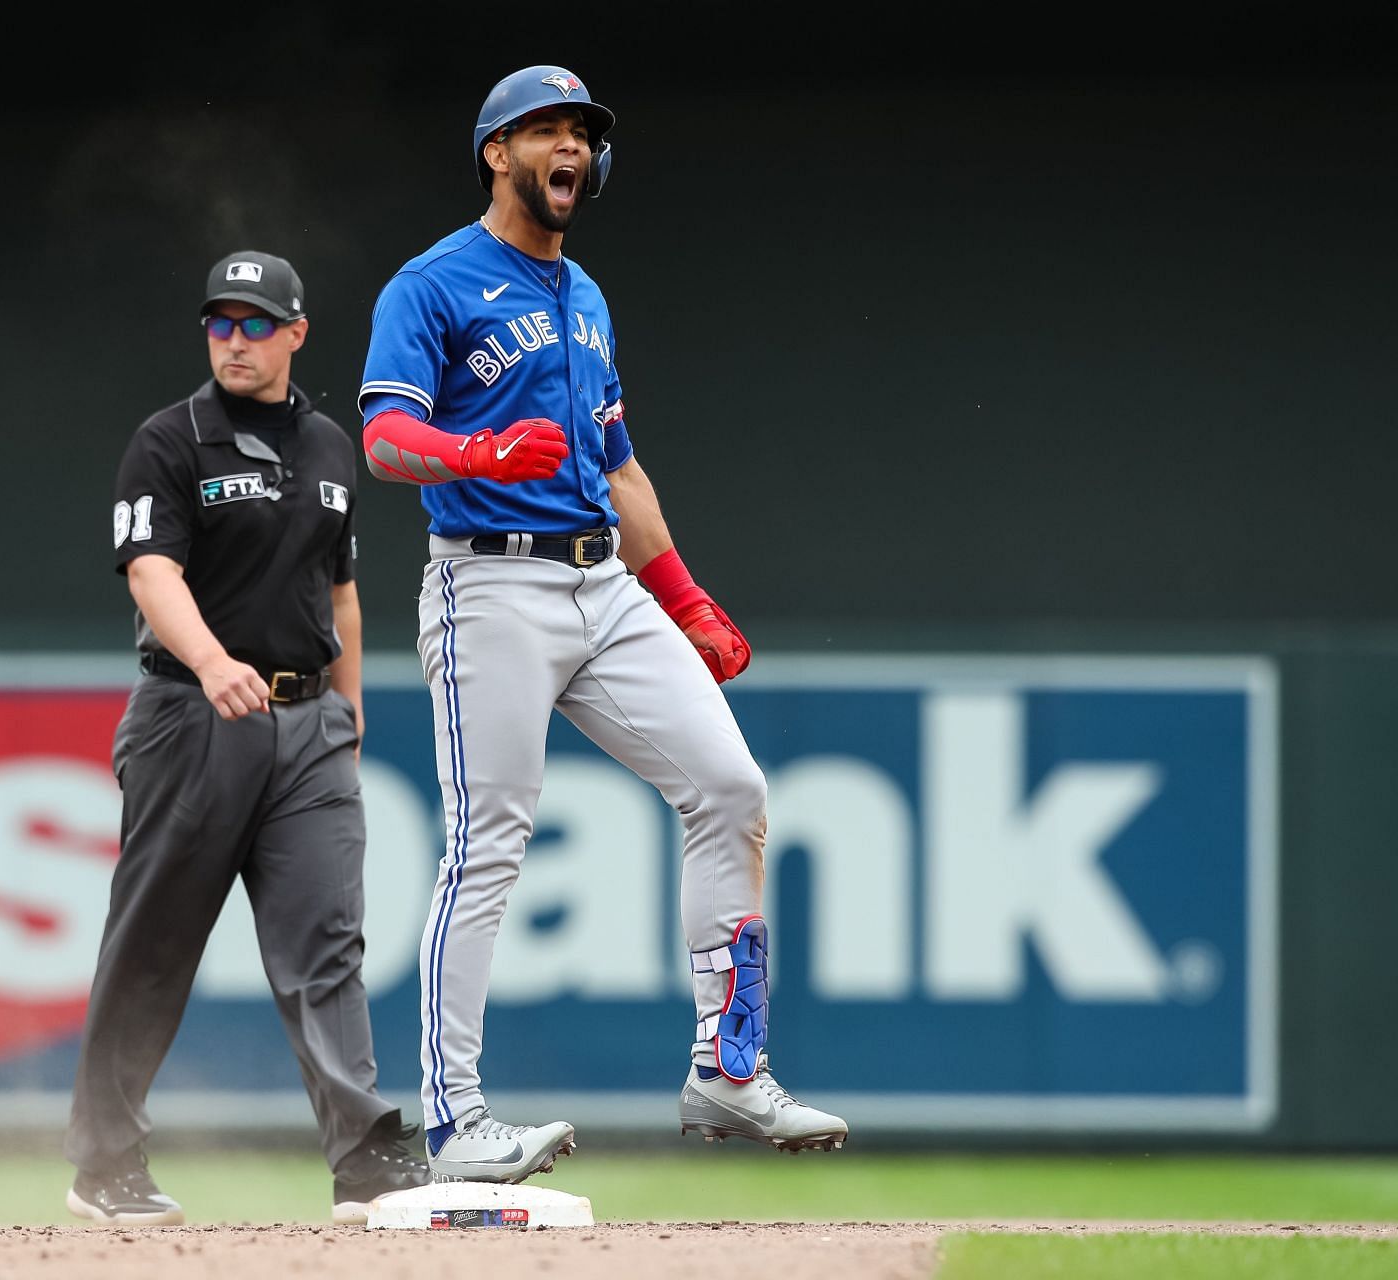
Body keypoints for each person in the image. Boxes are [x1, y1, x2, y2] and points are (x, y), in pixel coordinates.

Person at [357, 67, 849, 1183]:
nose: (569, 144)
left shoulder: (586, 296)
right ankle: (454, 1121)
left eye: (581, 130)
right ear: (496, 152)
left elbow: (618, 466)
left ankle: (727, 1069)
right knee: (490, 841)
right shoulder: (432, 284)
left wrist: (683, 597)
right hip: (490, 584)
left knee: (732, 788)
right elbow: (386, 436)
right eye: (544, 129)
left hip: (601, 583)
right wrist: (474, 453)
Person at [66, 249, 429, 1226]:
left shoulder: (328, 447)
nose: (235, 337)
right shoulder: (170, 439)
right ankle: (105, 1163)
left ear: (295, 333)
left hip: (308, 725)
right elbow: (150, 570)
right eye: (221, 321)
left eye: (255, 321)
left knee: (328, 943)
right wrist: (211, 659)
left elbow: (341, 592)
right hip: (192, 712)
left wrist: (349, 710)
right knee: (154, 943)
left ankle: (366, 1161)